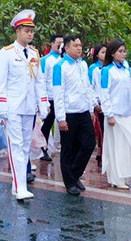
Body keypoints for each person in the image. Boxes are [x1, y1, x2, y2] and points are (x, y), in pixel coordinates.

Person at [0, 9, 49, 201]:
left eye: (32, 31)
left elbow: (39, 81)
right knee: (16, 146)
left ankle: (17, 185)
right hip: (13, 107)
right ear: (17, 31)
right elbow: (0, 83)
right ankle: (21, 187)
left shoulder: (34, 53)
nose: (30, 34)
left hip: (29, 106)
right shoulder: (6, 53)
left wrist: (43, 104)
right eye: (26, 30)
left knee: (25, 146)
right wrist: (2, 109)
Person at [97, 40, 131, 189]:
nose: (123, 54)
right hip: (115, 115)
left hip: (126, 113)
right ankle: (116, 178)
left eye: (124, 51)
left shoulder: (126, 69)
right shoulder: (106, 71)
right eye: (120, 51)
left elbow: (130, 92)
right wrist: (109, 114)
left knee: (128, 146)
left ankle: (122, 176)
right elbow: (104, 94)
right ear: (112, 53)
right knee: (115, 147)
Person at [51, 35, 96, 196]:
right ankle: (69, 181)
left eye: (80, 45)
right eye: (75, 45)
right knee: (68, 149)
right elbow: (58, 92)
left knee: (89, 144)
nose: (79, 48)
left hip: (83, 111)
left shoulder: (83, 64)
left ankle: (74, 174)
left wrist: (91, 108)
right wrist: (61, 118)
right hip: (69, 113)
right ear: (67, 48)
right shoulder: (60, 66)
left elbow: (88, 87)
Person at [38, 34, 64, 162]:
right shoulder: (45, 60)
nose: (60, 46)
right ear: (52, 44)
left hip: (62, 98)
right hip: (50, 98)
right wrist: (44, 100)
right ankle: (43, 149)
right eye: (58, 43)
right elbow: (41, 80)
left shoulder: (64, 60)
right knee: (47, 125)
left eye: (62, 44)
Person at [89, 43, 107, 166]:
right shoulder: (93, 68)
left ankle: (103, 154)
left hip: (109, 103)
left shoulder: (109, 67)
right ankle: (101, 154)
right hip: (99, 103)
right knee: (101, 130)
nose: (104, 55)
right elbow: (90, 87)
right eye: (102, 52)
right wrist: (94, 104)